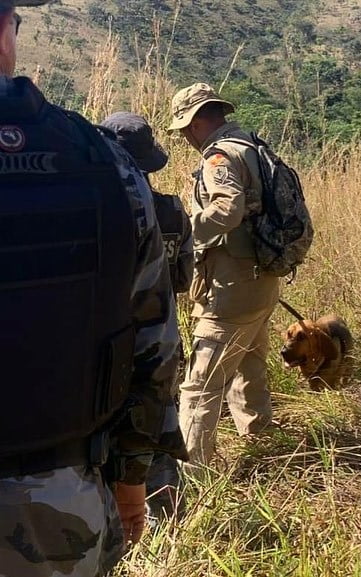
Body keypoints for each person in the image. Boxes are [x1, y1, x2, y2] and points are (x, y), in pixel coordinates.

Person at [0, 2, 186, 575]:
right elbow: (152, 347)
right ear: (6, 30)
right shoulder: (106, 162)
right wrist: (133, 481)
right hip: (61, 498)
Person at [167, 83, 279, 469]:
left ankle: (189, 474)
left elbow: (227, 210)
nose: (184, 138)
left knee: (200, 385)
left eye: (184, 129)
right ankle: (260, 440)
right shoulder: (252, 146)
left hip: (232, 286)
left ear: (197, 122)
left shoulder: (219, 156)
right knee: (249, 361)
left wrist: (186, 228)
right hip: (262, 276)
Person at [100, 112, 193, 522]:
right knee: (157, 426)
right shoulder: (172, 211)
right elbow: (185, 279)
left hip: (106, 343)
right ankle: (169, 520)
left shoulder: (99, 211)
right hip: (160, 338)